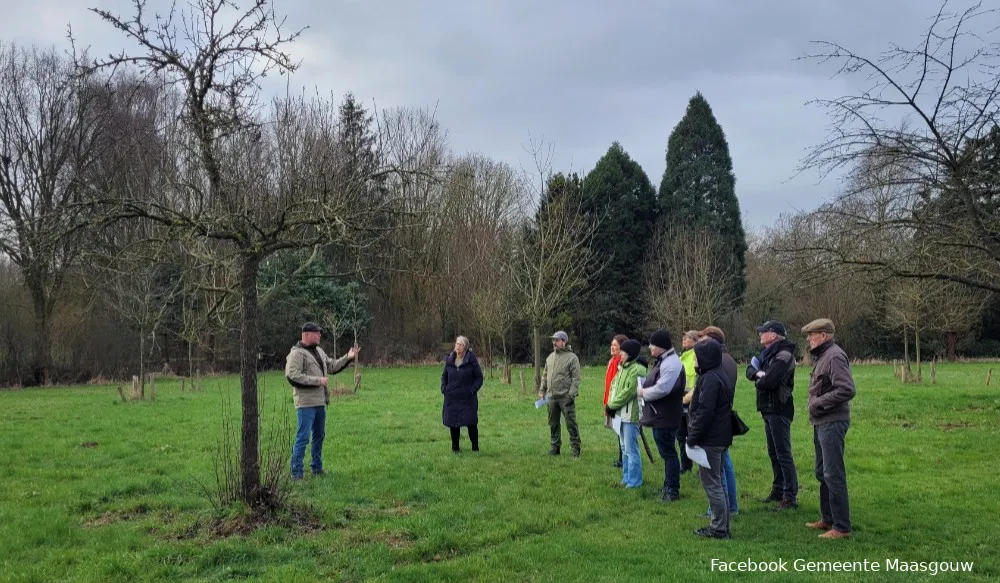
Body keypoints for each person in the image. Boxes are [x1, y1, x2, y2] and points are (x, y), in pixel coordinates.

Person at [802, 318, 856, 539]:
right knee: (821, 472)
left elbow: (847, 389)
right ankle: (828, 519)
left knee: (833, 473)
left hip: (832, 421)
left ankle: (842, 527)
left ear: (823, 336)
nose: (808, 339)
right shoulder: (824, 356)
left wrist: (818, 403)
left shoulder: (834, 356)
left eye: (811, 334)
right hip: (822, 421)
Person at [284, 322, 359, 480]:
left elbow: (332, 366)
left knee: (319, 435)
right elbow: (293, 376)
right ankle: (296, 473)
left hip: (320, 402)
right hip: (305, 404)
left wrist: (348, 357)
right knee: (303, 437)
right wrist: (318, 381)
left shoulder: (318, 351)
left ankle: (316, 467)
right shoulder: (296, 354)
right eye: (317, 333)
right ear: (307, 335)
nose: (319, 336)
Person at [746, 320, 799, 510]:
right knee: (773, 452)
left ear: (774, 334)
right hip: (768, 408)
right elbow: (749, 371)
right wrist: (760, 375)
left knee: (783, 453)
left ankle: (790, 496)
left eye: (764, 331)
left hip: (779, 408)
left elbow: (768, 382)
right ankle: (778, 490)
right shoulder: (767, 355)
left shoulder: (784, 355)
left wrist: (759, 377)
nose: (760, 334)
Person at [687, 338, 734, 539]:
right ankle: (721, 524)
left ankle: (719, 528)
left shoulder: (710, 379)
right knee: (719, 481)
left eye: (697, 356)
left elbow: (705, 411)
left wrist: (692, 437)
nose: (694, 359)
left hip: (711, 439)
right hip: (721, 437)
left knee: (712, 483)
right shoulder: (718, 375)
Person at [637, 329, 685, 501]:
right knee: (667, 452)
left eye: (653, 344)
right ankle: (668, 485)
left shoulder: (670, 364)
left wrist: (642, 392)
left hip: (666, 416)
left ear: (662, 346)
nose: (650, 347)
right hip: (662, 415)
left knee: (669, 453)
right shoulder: (664, 361)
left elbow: (663, 389)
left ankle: (672, 490)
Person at [697, 326, 739, 515]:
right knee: (722, 466)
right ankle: (727, 507)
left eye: (703, 340)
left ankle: (722, 510)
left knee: (718, 471)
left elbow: (711, 400)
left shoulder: (719, 363)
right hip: (722, 423)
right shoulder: (726, 360)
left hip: (716, 426)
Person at [605, 339, 647, 489]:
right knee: (624, 448)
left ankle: (635, 481)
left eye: (623, 352)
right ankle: (627, 477)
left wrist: (612, 405)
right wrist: (610, 405)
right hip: (620, 414)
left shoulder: (636, 370)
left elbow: (628, 393)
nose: (620, 354)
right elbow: (614, 388)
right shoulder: (622, 368)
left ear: (630, 354)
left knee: (631, 449)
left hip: (631, 415)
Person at [538, 331, 582, 457]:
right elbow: (545, 375)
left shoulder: (572, 358)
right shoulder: (550, 358)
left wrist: (571, 395)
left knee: (571, 423)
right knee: (553, 424)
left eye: (557, 340)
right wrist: (542, 390)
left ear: (564, 341)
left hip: (565, 397)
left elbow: (576, 378)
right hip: (551, 397)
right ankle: (555, 447)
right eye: (553, 340)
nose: (554, 343)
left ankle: (575, 449)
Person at [441, 336, 484, 454]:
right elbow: (444, 376)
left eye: (460, 344)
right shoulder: (450, 359)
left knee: (471, 423)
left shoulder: (471, 359)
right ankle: (455, 449)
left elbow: (479, 377)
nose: (457, 346)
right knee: (453, 424)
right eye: (456, 343)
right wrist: (444, 388)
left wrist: (472, 390)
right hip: (452, 397)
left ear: (465, 347)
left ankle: (475, 447)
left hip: (467, 398)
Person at [677, 330, 700, 473]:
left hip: (692, 398)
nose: (684, 340)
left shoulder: (697, 356)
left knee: (694, 433)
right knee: (680, 434)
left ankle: (700, 467)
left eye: (688, 338)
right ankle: (685, 465)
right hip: (681, 397)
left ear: (695, 340)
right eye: (683, 337)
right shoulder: (682, 356)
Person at [605, 334, 629, 468]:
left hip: (618, 402)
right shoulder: (612, 360)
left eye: (615, 345)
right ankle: (621, 458)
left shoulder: (621, 362)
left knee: (621, 431)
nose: (612, 347)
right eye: (612, 344)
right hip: (611, 400)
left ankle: (623, 459)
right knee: (618, 431)